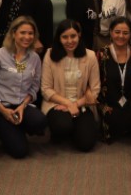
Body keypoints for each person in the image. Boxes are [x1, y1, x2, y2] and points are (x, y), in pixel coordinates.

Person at [0, 16, 47, 158]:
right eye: (22, 33)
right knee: (20, 152)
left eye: (30, 33)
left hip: (22, 106)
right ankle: (1, 130)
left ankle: (16, 127)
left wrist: (23, 106)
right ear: (13, 33)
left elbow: (35, 86)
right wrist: (4, 111)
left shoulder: (35, 58)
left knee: (40, 121)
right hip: (2, 106)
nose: (27, 37)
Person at [41, 19, 101, 152]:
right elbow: (46, 89)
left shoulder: (90, 56)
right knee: (62, 126)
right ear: (59, 38)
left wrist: (76, 105)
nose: (70, 41)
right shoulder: (50, 54)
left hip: (82, 104)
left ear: (79, 35)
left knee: (86, 145)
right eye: (65, 37)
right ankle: (64, 130)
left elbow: (95, 88)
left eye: (73, 36)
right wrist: (68, 103)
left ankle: (75, 129)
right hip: (57, 103)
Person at [96, 17, 131, 142]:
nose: (121, 36)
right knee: (113, 116)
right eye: (117, 32)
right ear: (111, 32)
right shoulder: (101, 54)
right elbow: (96, 81)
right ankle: (124, 127)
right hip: (109, 102)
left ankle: (124, 126)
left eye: (125, 33)